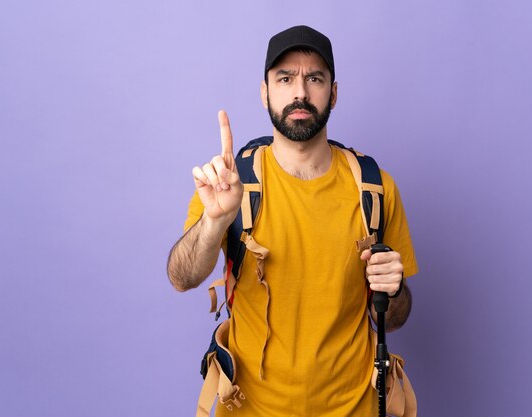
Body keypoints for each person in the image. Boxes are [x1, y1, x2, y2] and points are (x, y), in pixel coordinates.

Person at [167, 25, 418, 417]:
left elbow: (396, 316)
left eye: (314, 78)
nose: (300, 92)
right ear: (265, 92)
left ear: (333, 93)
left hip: (355, 408)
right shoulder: (232, 183)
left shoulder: (376, 188)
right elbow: (181, 277)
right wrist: (214, 221)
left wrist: (394, 288)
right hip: (250, 409)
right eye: (285, 79)